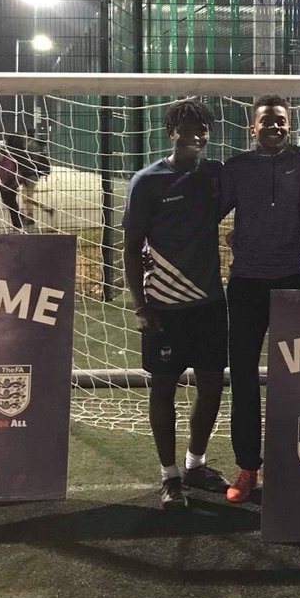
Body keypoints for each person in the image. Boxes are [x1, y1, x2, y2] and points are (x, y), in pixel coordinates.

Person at [220, 95, 300, 503]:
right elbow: (210, 211)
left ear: (290, 125)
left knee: (299, 378)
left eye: (281, 121)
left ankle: (297, 463)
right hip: (246, 282)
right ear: (253, 127)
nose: (275, 127)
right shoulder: (236, 168)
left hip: (292, 281)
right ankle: (248, 467)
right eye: (267, 121)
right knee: (244, 377)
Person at [122, 98, 229, 510]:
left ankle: (195, 464)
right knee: (163, 388)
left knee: (211, 385)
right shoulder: (147, 181)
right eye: (188, 127)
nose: (197, 134)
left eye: (203, 127)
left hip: (208, 302)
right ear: (172, 132)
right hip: (163, 306)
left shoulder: (215, 175)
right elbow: (131, 247)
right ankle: (169, 476)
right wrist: (140, 305)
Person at [0, 135, 29, 231]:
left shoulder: (8, 159)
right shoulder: (6, 159)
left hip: (9, 184)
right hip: (10, 184)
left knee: (11, 204)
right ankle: (19, 221)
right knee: (11, 204)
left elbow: (6, 172)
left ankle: (19, 223)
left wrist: (0, 182)